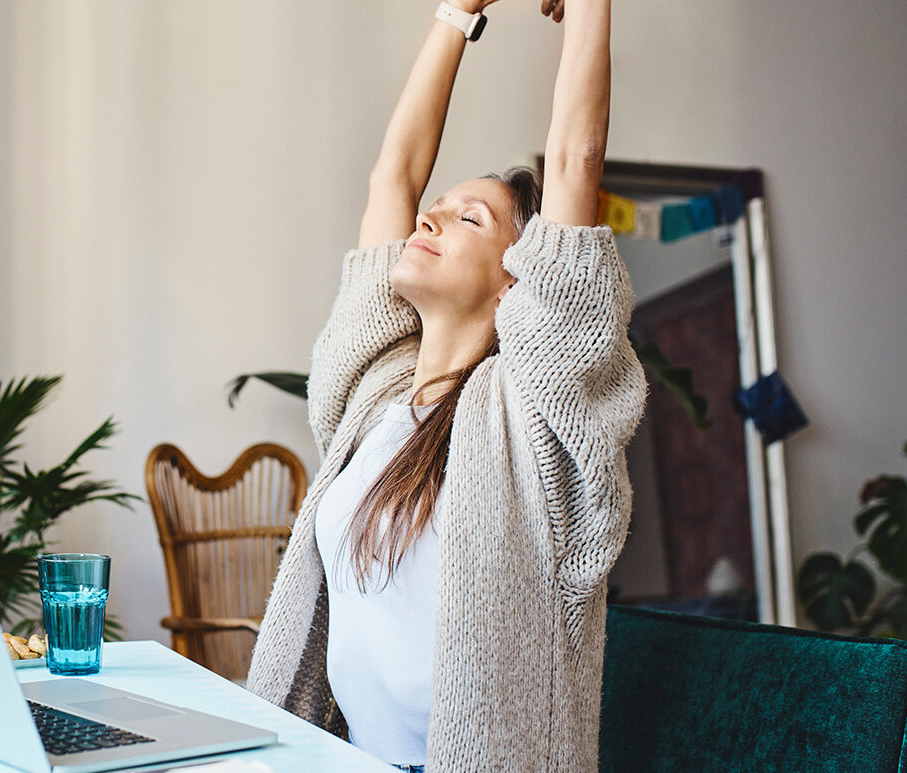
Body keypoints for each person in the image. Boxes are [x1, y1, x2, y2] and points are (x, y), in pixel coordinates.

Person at [244, 0, 645, 770]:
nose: (429, 220)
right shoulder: (373, 393)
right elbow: (392, 176)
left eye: (468, 220)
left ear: (519, 283)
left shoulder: (535, 416)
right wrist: (457, 13)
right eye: (437, 210)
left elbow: (575, 165)